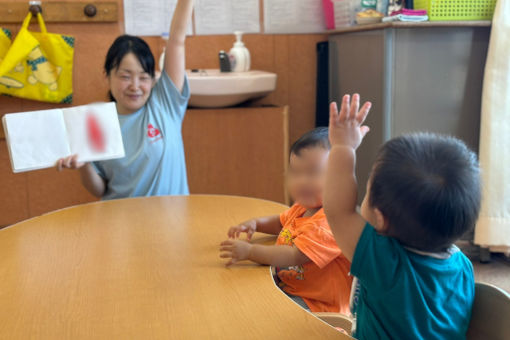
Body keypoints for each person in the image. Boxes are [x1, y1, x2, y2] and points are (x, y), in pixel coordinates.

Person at [324, 94, 481, 339]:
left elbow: (338, 211)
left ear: (381, 219)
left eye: (367, 190)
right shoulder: (463, 267)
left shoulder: (385, 264)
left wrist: (343, 147)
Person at [57, 0, 194, 200]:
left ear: (153, 79)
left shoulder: (165, 103)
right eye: (125, 76)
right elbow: (100, 190)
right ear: (107, 75)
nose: (135, 86)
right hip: (122, 221)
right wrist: (84, 164)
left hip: (173, 222)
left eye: (143, 77)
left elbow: (177, 40)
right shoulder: (96, 120)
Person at [219, 127, 353, 314]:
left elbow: (293, 255)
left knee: (258, 315)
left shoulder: (329, 221)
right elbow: (281, 222)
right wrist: (256, 223)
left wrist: (250, 251)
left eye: (313, 173)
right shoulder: (304, 206)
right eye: (296, 173)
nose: (302, 181)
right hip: (291, 287)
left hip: (317, 305)